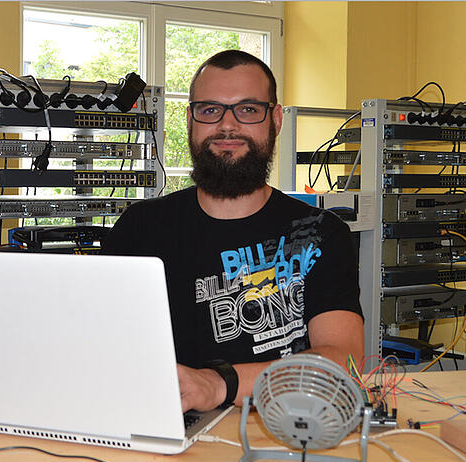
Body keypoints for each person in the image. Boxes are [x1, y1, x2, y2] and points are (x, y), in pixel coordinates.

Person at [102, 50, 363, 412]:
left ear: (275, 119)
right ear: (190, 121)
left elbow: (343, 362)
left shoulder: (321, 234)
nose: (227, 126)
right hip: (171, 430)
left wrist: (218, 384)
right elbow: (101, 347)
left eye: (248, 109)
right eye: (210, 110)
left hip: (288, 430)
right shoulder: (139, 228)